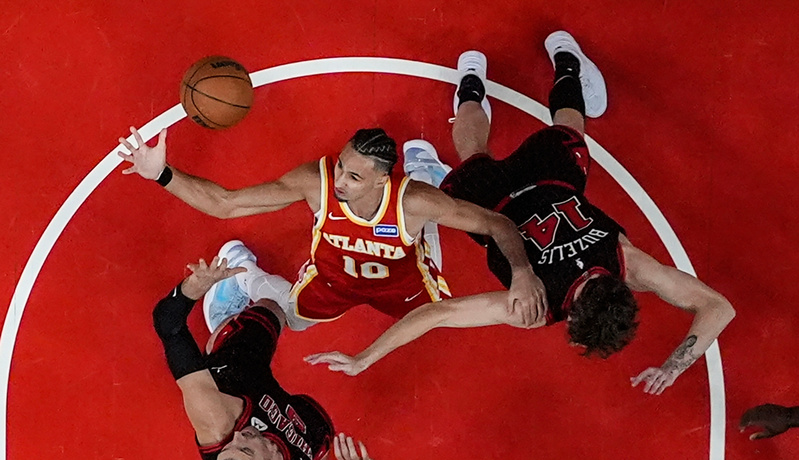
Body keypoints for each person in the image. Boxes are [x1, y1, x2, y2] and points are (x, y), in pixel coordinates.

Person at [305, 32, 734, 395]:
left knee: (569, 127)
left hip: (550, 177)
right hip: (495, 201)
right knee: (472, 154)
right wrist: (364, 359)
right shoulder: (535, 308)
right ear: (572, 315)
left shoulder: (629, 264)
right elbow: (439, 314)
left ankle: (565, 60)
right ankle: (469, 82)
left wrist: (673, 367)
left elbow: (717, 307)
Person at [121, 127, 547, 331]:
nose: (339, 181)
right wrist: (162, 174)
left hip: (402, 281)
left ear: (381, 181)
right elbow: (226, 203)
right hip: (333, 279)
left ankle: (425, 169)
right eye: (341, 165)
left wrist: (523, 272)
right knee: (291, 320)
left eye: (354, 177)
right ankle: (242, 271)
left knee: (436, 314)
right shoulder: (317, 183)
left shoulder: (411, 200)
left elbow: (496, 222)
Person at [152, 253, 406, 460]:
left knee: (280, 306)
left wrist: (194, 287)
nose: (239, 435)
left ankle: (224, 318)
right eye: (246, 448)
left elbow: (168, 324)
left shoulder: (216, 419)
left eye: (229, 446)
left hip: (241, 377)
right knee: (316, 458)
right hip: (303, 433)